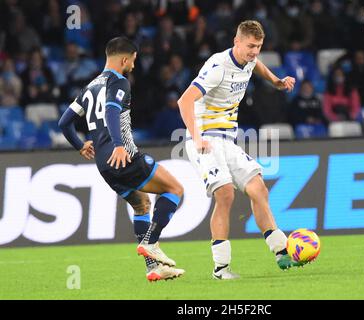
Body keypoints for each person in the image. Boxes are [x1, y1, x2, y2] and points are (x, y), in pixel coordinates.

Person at [177, 20, 299, 280]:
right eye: (250, 46)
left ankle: (281, 252)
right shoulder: (217, 67)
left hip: (227, 140)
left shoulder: (250, 60)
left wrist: (276, 81)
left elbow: (258, 67)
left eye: (259, 46)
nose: (254, 52)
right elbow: (184, 100)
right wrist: (197, 137)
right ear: (237, 42)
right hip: (204, 138)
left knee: (258, 188)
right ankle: (220, 269)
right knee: (225, 195)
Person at [58, 37, 185, 282]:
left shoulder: (89, 87)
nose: (134, 66)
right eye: (133, 61)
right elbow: (112, 110)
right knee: (175, 189)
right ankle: (152, 241)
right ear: (125, 59)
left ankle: (153, 268)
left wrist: (79, 145)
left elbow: (64, 123)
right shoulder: (119, 82)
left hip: (104, 165)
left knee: (142, 205)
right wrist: (118, 145)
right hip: (123, 157)